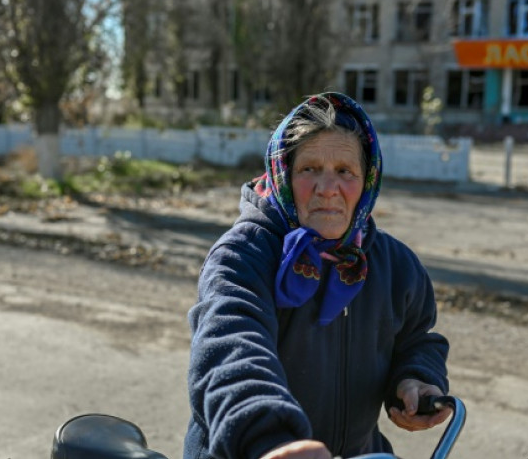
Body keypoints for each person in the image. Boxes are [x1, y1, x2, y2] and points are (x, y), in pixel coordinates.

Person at [184, 92, 451, 459]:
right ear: (283, 175)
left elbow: (417, 338)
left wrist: (415, 378)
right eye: (309, 169)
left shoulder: (396, 266)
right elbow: (230, 349)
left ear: (367, 180)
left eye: (345, 171)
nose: (328, 189)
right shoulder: (243, 256)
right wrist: (271, 438)